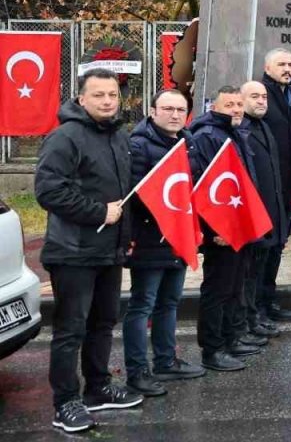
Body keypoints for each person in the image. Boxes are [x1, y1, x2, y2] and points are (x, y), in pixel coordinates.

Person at [38, 68, 141, 432]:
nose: (107, 101)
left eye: (112, 95)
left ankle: (98, 389)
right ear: (81, 99)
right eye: (98, 95)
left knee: (102, 323)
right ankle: (65, 402)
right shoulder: (64, 137)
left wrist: (124, 236)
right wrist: (99, 212)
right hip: (72, 253)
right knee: (71, 330)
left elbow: (123, 193)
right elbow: (48, 191)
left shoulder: (117, 136)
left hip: (108, 252)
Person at [123, 90, 204, 399]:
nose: (174, 114)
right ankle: (137, 371)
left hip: (178, 237)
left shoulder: (187, 141)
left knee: (169, 303)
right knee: (142, 305)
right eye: (167, 108)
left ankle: (166, 361)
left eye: (180, 109)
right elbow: (136, 194)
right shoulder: (139, 145)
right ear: (153, 111)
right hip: (149, 240)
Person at [189, 86, 258, 372]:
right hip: (220, 231)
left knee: (234, 287)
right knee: (217, 289)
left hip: (239, 226)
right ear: (214, 107)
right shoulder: (206, 136)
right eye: (230, 104)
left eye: (240, 104)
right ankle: (212, 349)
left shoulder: (234, 133)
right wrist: (212, 229)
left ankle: (231, 338)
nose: (237, 109)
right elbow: (201, 186)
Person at [235, 82, 287, 352]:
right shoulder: (240, 131)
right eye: (254, 96)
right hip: (252, 216)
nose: (261, 101)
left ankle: (256, 316)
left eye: (264, 96)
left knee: (260, 270)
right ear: (241, 100)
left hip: (270, 211)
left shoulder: (264, 126)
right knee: (248, 274)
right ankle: (246, 322)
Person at [258, 49, 291, 323]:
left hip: (286, 186)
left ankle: (268, 301)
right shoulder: (260, 93)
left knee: (277, 248)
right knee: (261, 251)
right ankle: (256, 308)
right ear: (267, 67)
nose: (287, 68)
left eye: (290, 64)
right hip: (264, 188)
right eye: (281, 64)